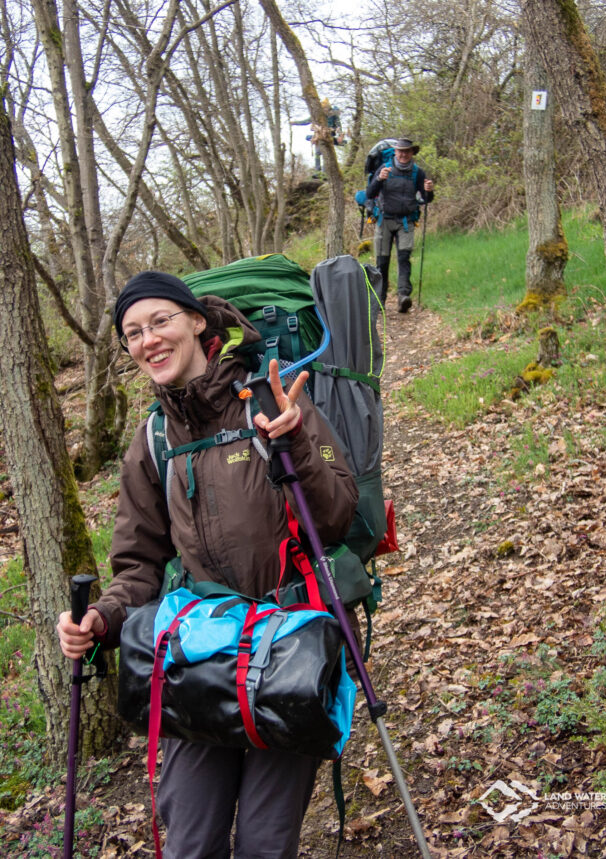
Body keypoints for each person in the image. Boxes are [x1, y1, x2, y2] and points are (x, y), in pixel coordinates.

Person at [57, 271, 359, 859]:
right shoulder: (152, 438)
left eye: (161, 320)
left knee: (264, 843)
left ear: (198, 321)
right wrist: (102, 620)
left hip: (287, 645)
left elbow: (337, 521)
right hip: (199, 654)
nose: (149, 340)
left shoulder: (273, 400)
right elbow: (140, 565)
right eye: (133, 332)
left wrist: (296, 444)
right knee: (190, 842)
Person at [365, 137, 434, 313]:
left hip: (406, 221)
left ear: (412, 153)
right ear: (395, 152)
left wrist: (429, 191)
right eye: (400, 151)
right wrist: (379, 179)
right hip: (384, 219)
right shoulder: (385, 168)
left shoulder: (418, 173)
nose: (403, 154)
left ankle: (403, 295)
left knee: (404, 257)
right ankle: (380, 299)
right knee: (382, 261)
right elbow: (370, 192)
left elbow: (426, 199)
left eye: (407, 151)